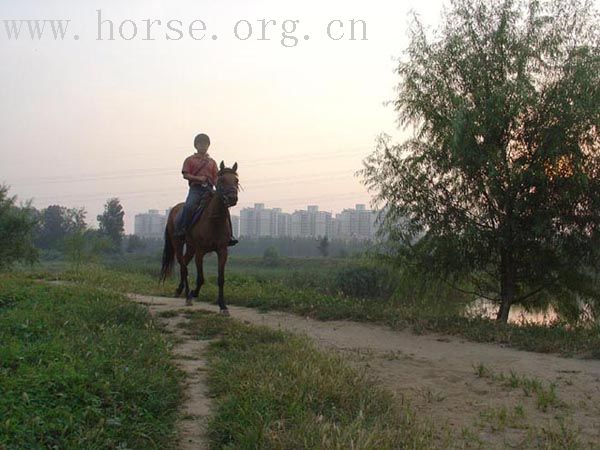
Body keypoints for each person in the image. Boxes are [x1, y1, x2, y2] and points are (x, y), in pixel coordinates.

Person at [174, 133, 238, 245]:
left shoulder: (212, 162)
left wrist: (217, 187)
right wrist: (199, 178)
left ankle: (230, 235)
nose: (203, 146)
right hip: (195, 189)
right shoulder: (190, 160)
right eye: (201, 144)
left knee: (224, 207)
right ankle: (182, 230)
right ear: (196, 145)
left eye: (205, 144)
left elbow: (215, 178)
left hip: (209, 189)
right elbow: (185, 175)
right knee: (189, 206)